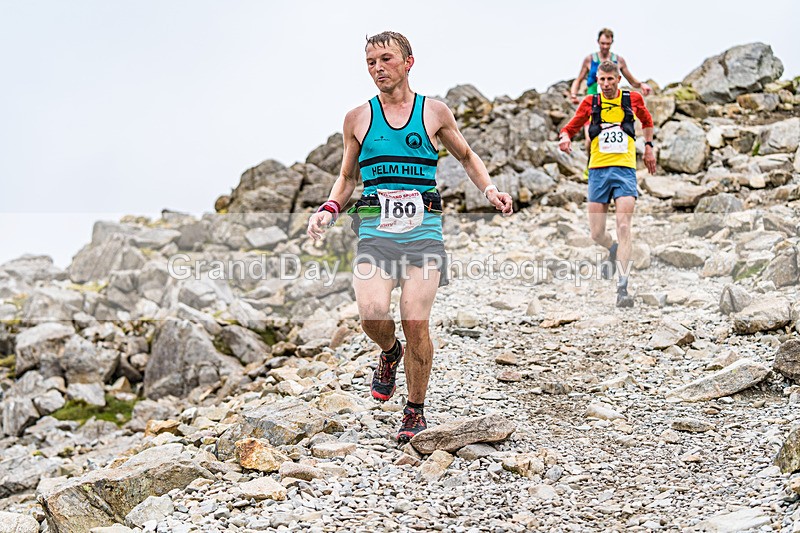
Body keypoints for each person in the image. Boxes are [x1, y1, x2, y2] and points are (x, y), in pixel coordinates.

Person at [307, 31, 513, 443]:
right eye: (371, 62)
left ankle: (414, 410)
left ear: (408, 62)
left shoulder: (434, 112)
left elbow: (467, 156)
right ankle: (389, 353)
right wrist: (329, 208)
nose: (378, 68)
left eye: (386, 59)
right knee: (371, 313)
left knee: (415, 320)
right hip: (375, 232)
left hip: (424, 234)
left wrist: (489, 190)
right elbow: (347, 177)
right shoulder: (357, 119)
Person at [558, 60, 656, 308]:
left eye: (610, 79)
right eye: (601, 79)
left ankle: (622, 288)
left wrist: (648, 147)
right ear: (597, 80)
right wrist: (565, 138)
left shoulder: (632, 99)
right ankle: (611, 249)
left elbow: (647, 122)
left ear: (618, 79)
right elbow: (570, 128)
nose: (606, 84)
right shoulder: (590, 103)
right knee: (596, 233)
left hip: (625, 170)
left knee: (624, 225)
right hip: (598, 172)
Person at [569, 28, 653, 177]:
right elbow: (579, 78)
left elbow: (630, 79)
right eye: (602, 43)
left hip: (614, 107)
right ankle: (591, 167)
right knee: (590, 139)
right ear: (598, 42)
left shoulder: (618, 60)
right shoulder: (590, 59)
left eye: (608, 43)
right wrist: (573, 93)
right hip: (593, 107)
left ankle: (615, 168)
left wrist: (641, 85)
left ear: (612, 43)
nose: (605, 46)